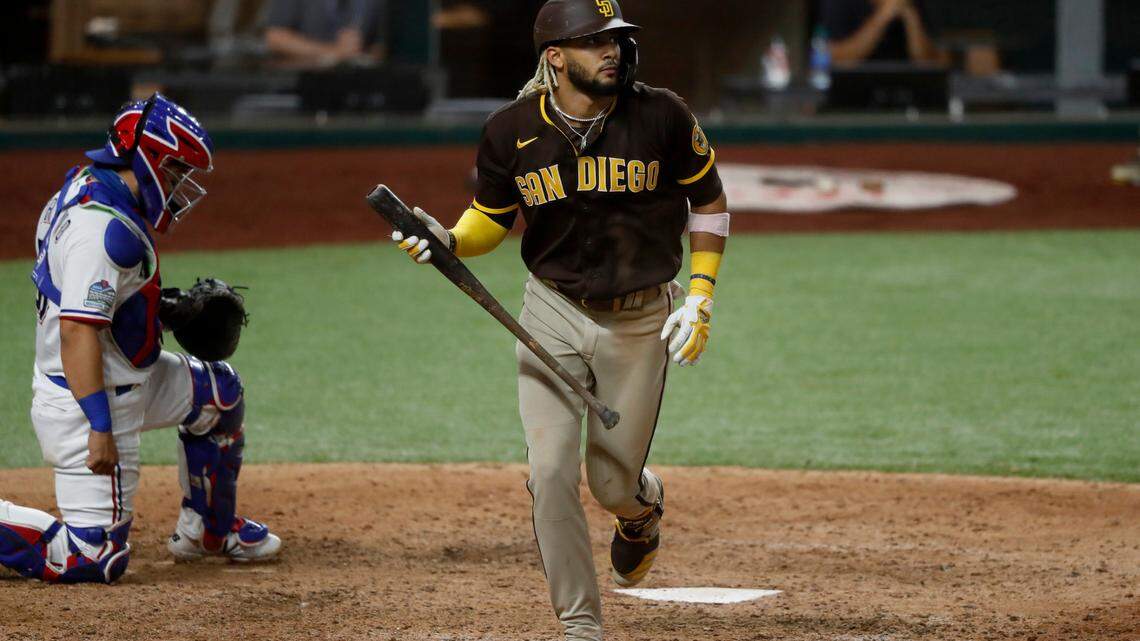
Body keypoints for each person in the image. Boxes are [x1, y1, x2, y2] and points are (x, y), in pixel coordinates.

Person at [390, 1, 729, 638]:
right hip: (549, 312)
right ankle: (581, 625)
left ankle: (641, 508)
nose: (614, 51)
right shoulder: (510, 130)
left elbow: (709, 200)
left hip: (638, 322)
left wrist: (701, 296)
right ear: (555, 57)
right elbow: (490, 220)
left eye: (617, 39)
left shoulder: (662, 116)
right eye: (595, 41)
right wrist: (448, 241)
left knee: (609, 484)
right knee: (548, 473)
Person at [0, 93, 281, 584]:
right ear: (148, 160)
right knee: (92, 559)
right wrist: (99, 426)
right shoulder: (104, 232)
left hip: (127, 377)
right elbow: (78, 330)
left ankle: (209, 531)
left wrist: (161, 311)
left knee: (220, 395)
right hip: (86, 402)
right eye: (175, 174)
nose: (179, 189)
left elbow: (98, 301)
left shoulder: (89, 184)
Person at [263, 0, 388, 67]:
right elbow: (275, 38)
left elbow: (380, 45)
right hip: (302, 79)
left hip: (356, 82)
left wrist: (368, 56)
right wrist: (334, 51)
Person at [821, 0, 947, 65]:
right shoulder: (840, 3)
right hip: (853, 96)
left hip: (907, 94)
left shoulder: (914, 3)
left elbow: (933, 63)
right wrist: (883, 16)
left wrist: (910, 16)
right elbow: (839, 60)